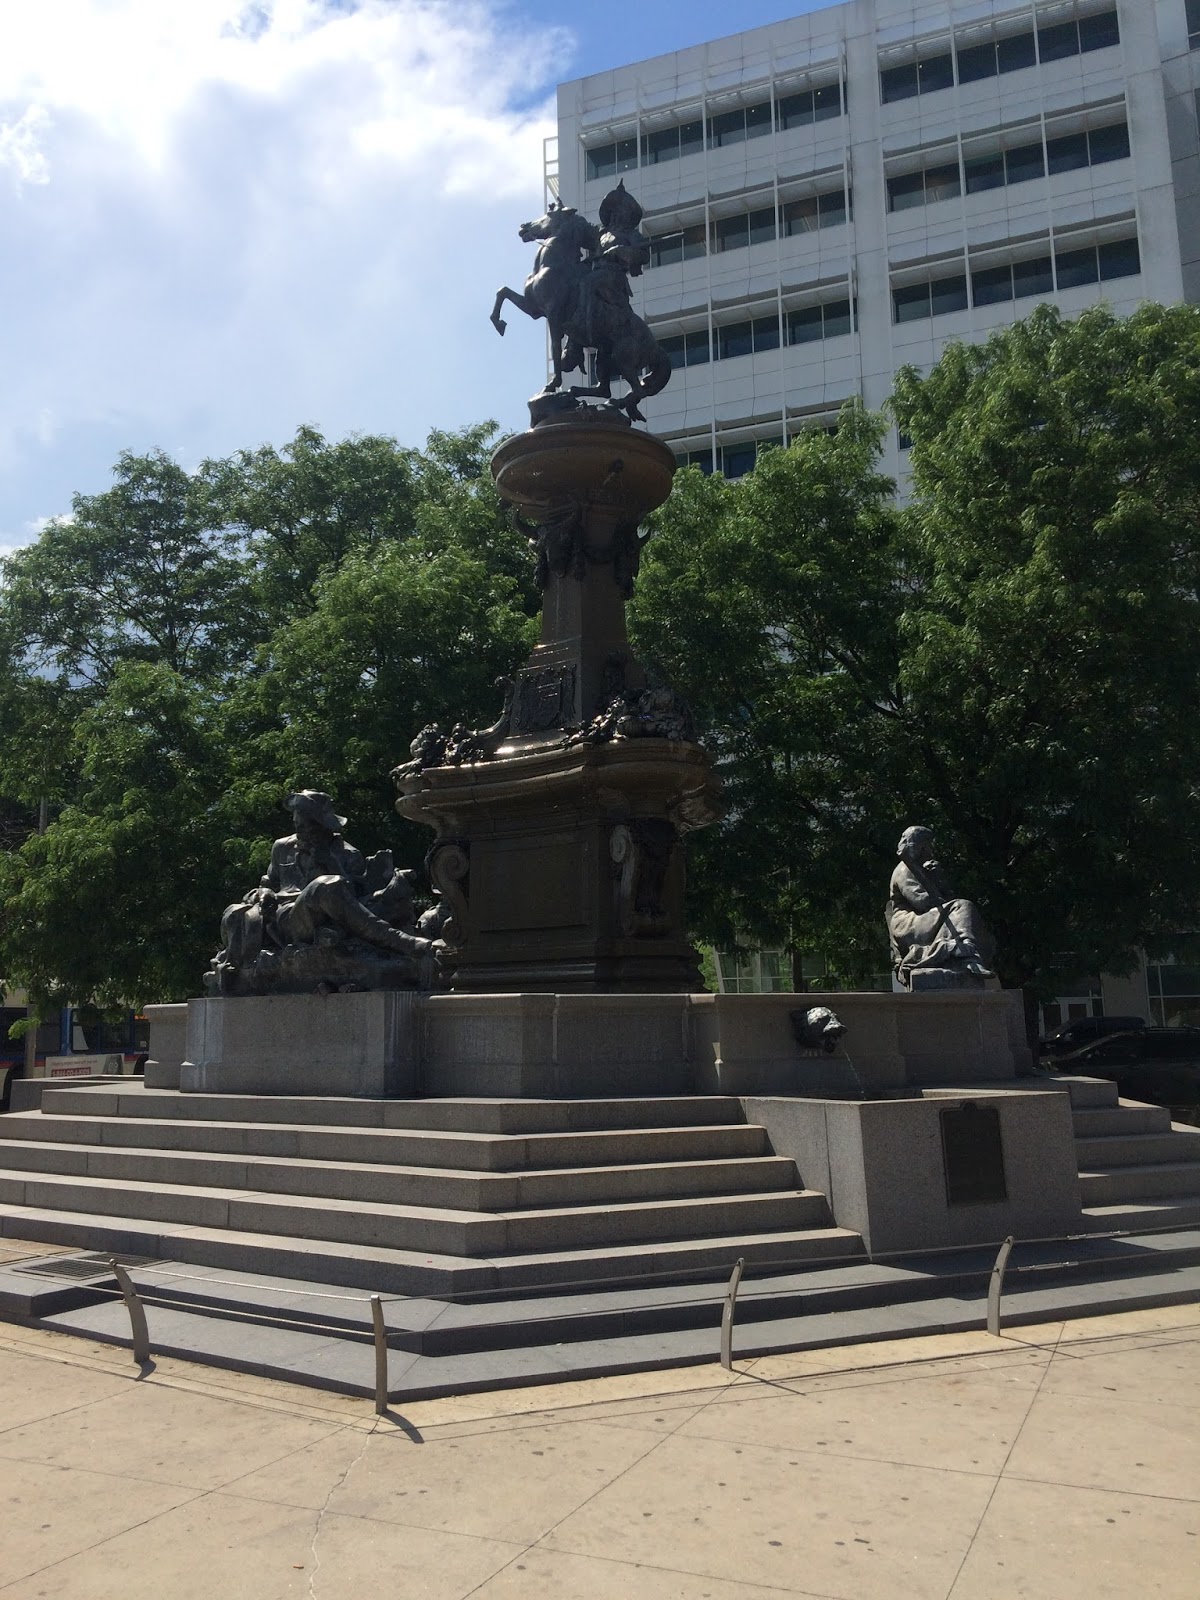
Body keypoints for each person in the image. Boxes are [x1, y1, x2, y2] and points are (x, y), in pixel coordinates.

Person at [886, 825, 995, 987]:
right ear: (921, 846)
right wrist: (935, 883)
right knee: (963, 906)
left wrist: (939, 880)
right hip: (909, 924)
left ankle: (969, 956)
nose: (932, 849)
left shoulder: (921, 870)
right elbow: (922, 902)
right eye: (929, 845)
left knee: (963, 910)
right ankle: (969, 955)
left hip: (925, 919)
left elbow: (944, 901)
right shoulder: (905, 870)